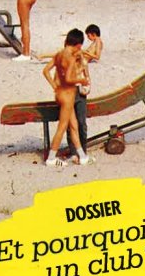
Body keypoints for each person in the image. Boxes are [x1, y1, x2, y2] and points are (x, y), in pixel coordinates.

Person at [42, 28, 91, 168]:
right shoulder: (70, 57)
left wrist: (54, 86)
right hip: (67, 94)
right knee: (62, 127)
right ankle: (51, 158)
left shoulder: (59, 54)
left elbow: (45, 71)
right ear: (79, 45)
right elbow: (69, 79)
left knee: (73, 125)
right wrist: (82, 81)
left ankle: (82, 156)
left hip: (60, 93)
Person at [66, 24, 104, 158]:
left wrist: (87, 85)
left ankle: (82, 152)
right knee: (73, 124)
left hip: (79, 90)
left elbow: (93, 62)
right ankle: (74, 152)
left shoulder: (96, 44)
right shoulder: (69, 56)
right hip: (70, 91)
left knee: (80, 123)